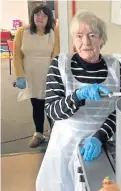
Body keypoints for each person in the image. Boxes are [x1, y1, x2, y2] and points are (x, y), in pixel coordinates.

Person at [36, 11, 121, 191]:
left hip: (100, 147)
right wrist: (79, 95)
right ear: (73, 39)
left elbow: (119, 111)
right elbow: (52, 111)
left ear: (102, 39)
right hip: (65, 146)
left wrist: (100, 137)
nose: (86, 42)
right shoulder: (60, 65)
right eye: (79, 36)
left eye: (92, 35)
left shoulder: (115, 67)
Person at [13, 5, 60, 148]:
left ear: (48, 19)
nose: (40, 17)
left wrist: (55, 77)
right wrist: (19, 76)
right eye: (37, 14)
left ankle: (55, 134)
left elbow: (56, 55)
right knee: (37, 105)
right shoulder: (22, 32)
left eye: (44, 15)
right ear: (32, 17)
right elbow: (17, 56)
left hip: (48, 74)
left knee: (51, 105)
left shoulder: (54, 33)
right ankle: (39, 133)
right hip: (30, 75)